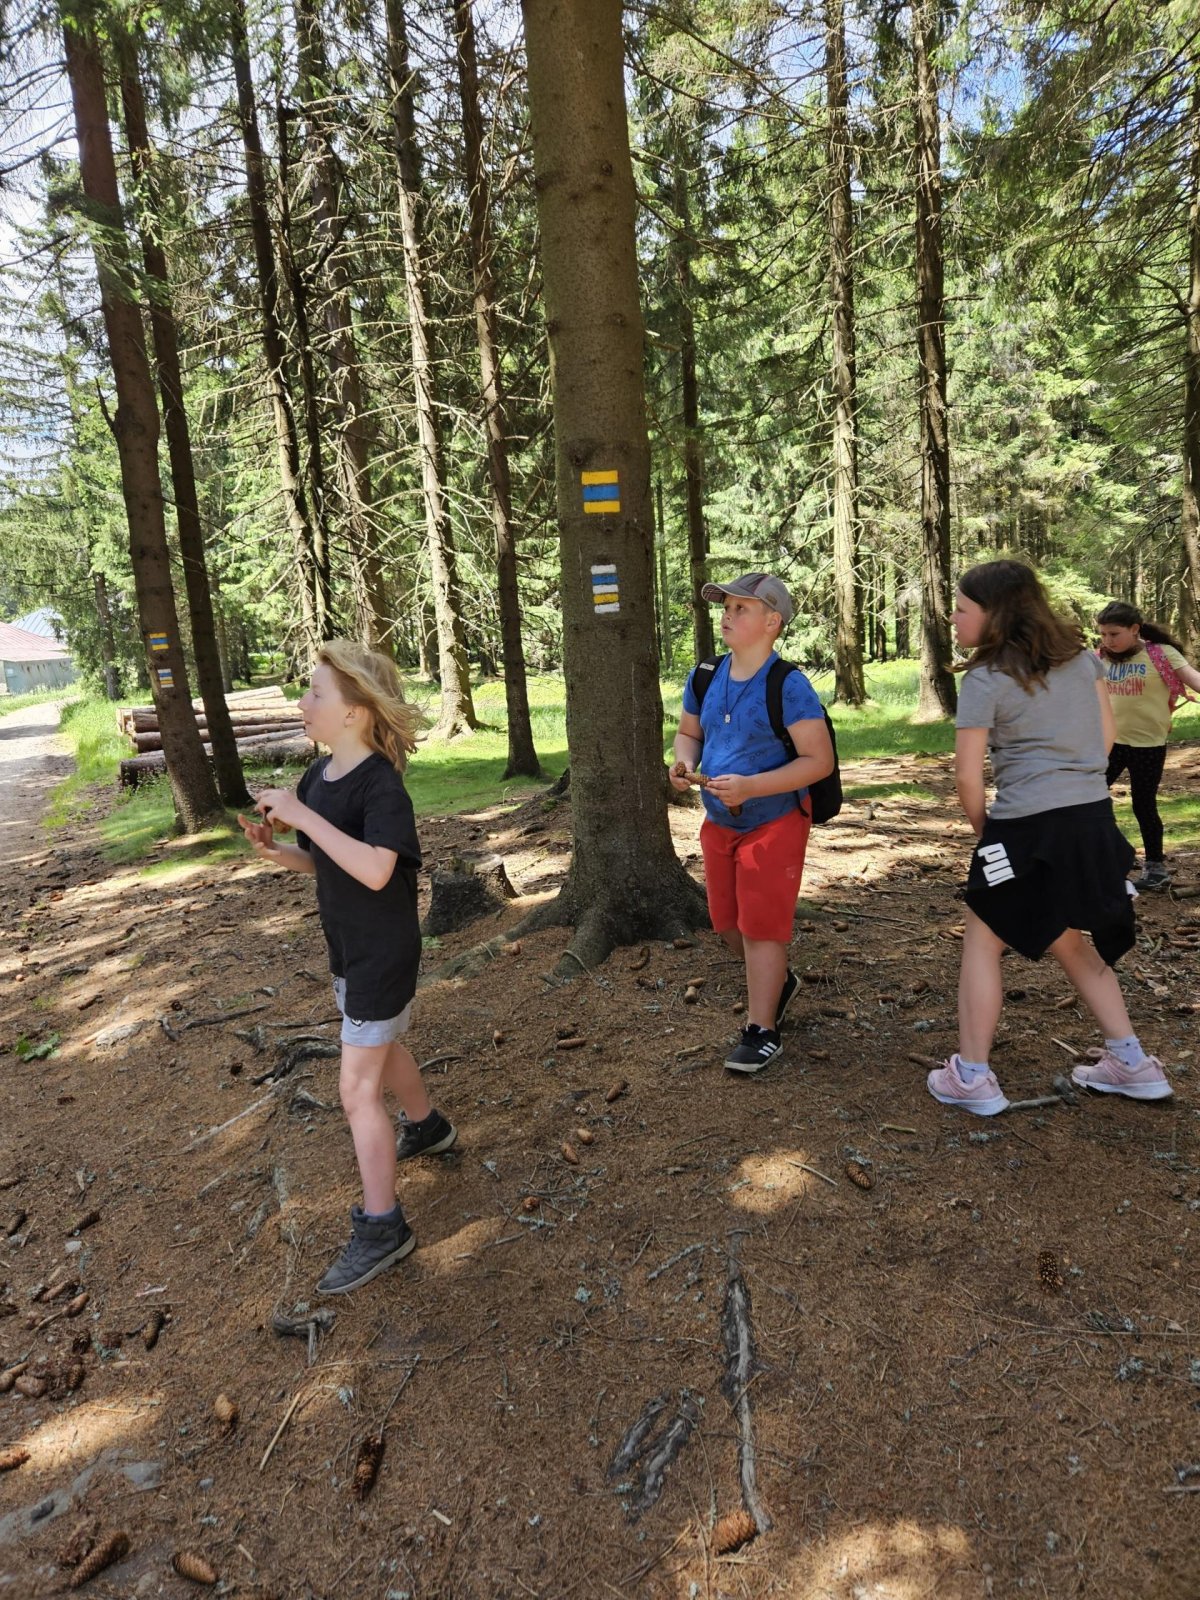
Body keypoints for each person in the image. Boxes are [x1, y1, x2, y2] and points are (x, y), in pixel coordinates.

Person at [237, 641, 457, 1294]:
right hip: (349, 949)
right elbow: (325, 861)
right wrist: (277, 850)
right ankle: (429, 1128)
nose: (301, 702)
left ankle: (384, 1227)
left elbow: (377, 868)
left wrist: (302, 814)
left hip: (382, 955)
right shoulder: (317, 779)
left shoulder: (381, 786)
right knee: (384, 1049)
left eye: (315, 693)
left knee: (356, 1089)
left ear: (356, 712)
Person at [926, 561, 1172, 1116]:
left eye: (962, 609)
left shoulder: (984, 678)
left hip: (1026, 826)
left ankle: (972, 1075)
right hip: (1091, 820)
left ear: (995, 614)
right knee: (1067, 937)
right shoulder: (1084, 660)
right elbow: (1107, 737)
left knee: (983, 937)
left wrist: (989, 833)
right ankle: (1131, 1063)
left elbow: (967, 777)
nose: (953, 618)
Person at [669, 572, 834, 1074]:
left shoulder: (789, 685)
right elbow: (688, 733)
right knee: (726, 923)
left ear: (771, 622)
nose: (727, 615)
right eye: (726, 607)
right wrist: (682, 763)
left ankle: (762, 1030)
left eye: (741, 608)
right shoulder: (704, 675)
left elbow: (818, 761)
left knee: (762, 927)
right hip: (720, 822)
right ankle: (778, 980)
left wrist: (751, 787)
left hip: (775, 820)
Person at [1096, 600, 1200, 891]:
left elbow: (1194, 680)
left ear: (1134, 629)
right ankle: (1116, 853)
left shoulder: (1160, 654)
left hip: (1148, 746)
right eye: (1103, 634)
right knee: (1089, 799)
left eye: (1114, 634)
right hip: (1109, 743)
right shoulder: (1099, 658)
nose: (1107, 640)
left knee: (1143, 805)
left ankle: (1155, 868)